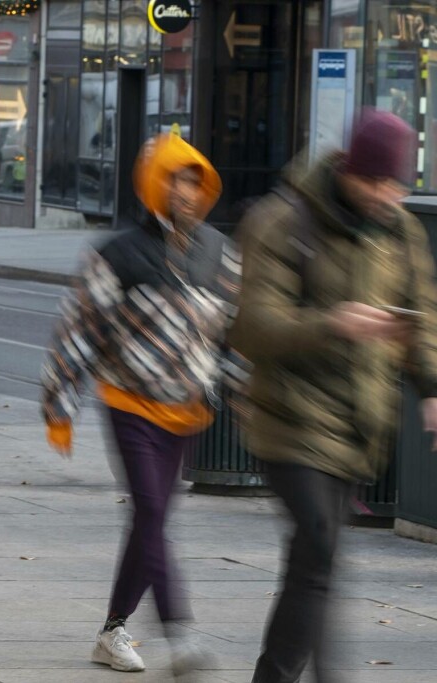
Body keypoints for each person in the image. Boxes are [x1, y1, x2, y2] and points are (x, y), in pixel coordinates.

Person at [232, 110, 437, 683]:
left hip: (356, 423)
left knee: (316, 564)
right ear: (348, 167)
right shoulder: (282, 220)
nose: (386, 195)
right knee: (319, 548)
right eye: (375, 182)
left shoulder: (400, 231)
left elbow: (423, 317)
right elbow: (252, 327)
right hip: (286, 417)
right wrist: (335, 323)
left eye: (397, 184)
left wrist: (432, 389)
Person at [42, 133, 239, 674]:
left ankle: (111, 632)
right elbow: (77, 331)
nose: (187, 192)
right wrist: (59, 406)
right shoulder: (120, 253)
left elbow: (233, 334)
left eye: (195, 181)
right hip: (129, 404)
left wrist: (246, 383)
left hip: (187, 410)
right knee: (152, 512)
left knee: (148, 523)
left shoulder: (219, 252)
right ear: (157, 184)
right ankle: (181, 635)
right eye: (177, 179)